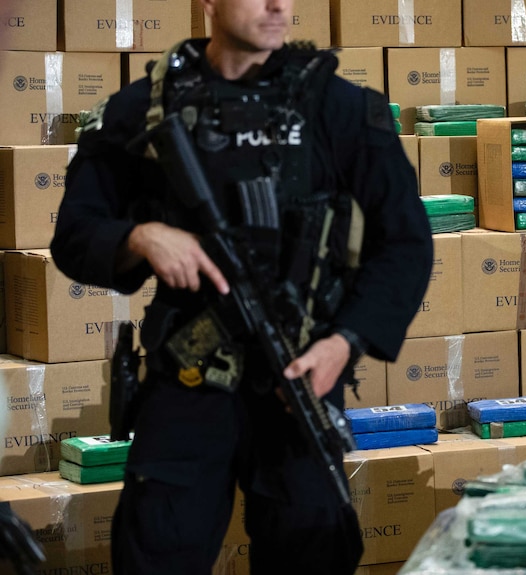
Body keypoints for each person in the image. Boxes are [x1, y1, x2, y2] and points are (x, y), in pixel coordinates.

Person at [49, 0, 434, 573]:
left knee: (314, 545)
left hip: (299, 374)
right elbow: (74, 234)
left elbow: (404, 241)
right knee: (158, 550)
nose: (279, 5)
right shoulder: (145, 110)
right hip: (189, 377)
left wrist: (345, 342)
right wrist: (140, 237)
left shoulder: (340, 108)